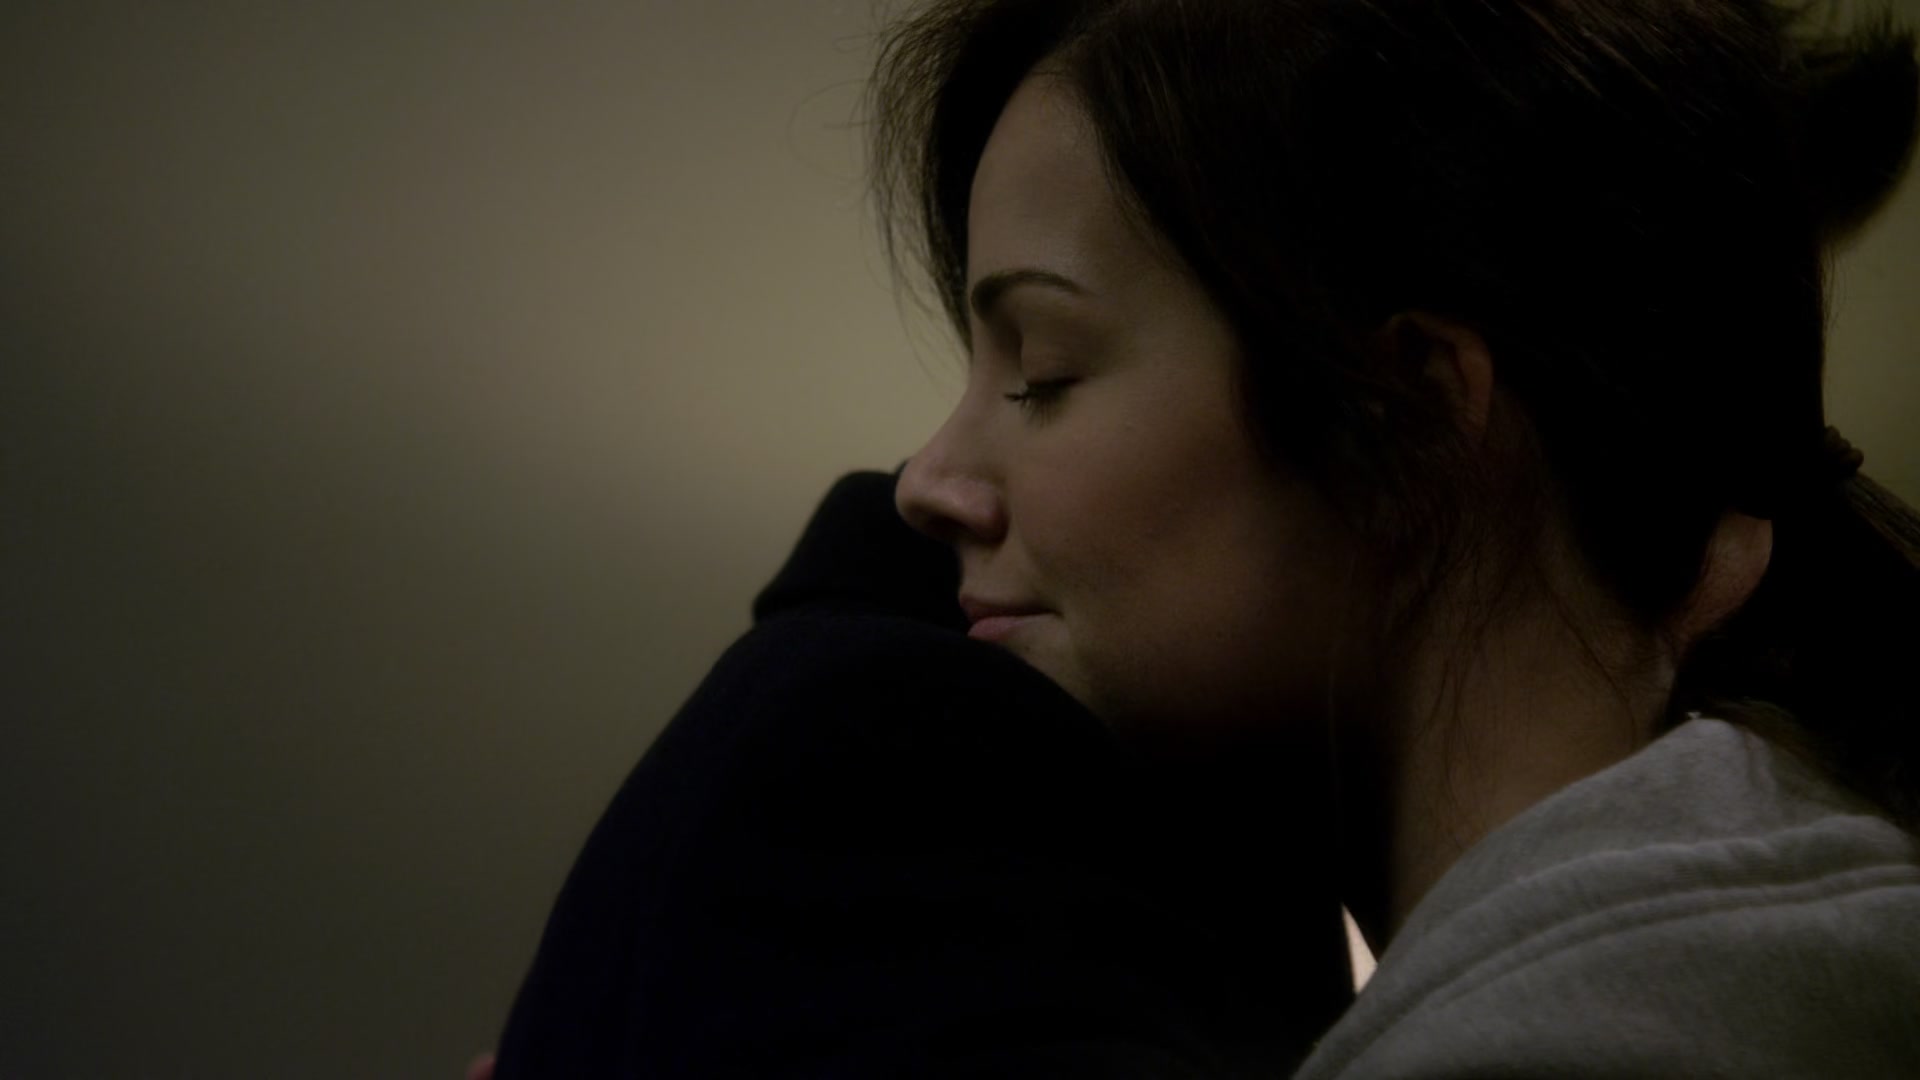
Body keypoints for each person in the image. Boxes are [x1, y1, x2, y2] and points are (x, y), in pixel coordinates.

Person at [490, 0, 1920, 1074]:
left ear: (1416, 421)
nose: (927, 482)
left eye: (1042, 369)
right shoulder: (1709, 940)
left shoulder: (1631, 1027)